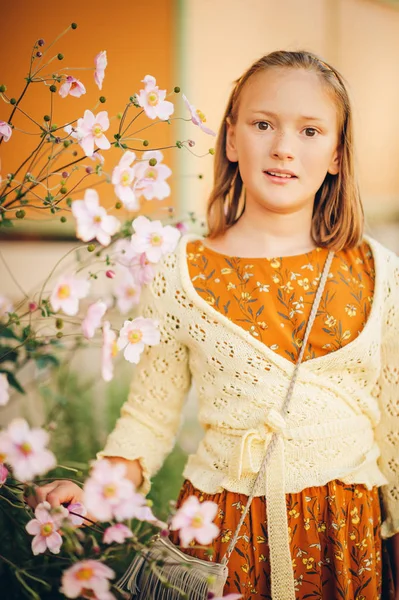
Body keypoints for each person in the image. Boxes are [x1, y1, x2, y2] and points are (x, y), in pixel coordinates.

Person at [28, 51, 398, 599]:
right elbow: (149, 418)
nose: (283, 147)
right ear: (230, 138)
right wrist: (94, 492)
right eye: (263, 123)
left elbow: (392, 416)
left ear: (338, 155)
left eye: (311, 130)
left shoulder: (375, 268)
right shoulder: (181, 272)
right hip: (224, 533)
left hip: (348, 536)